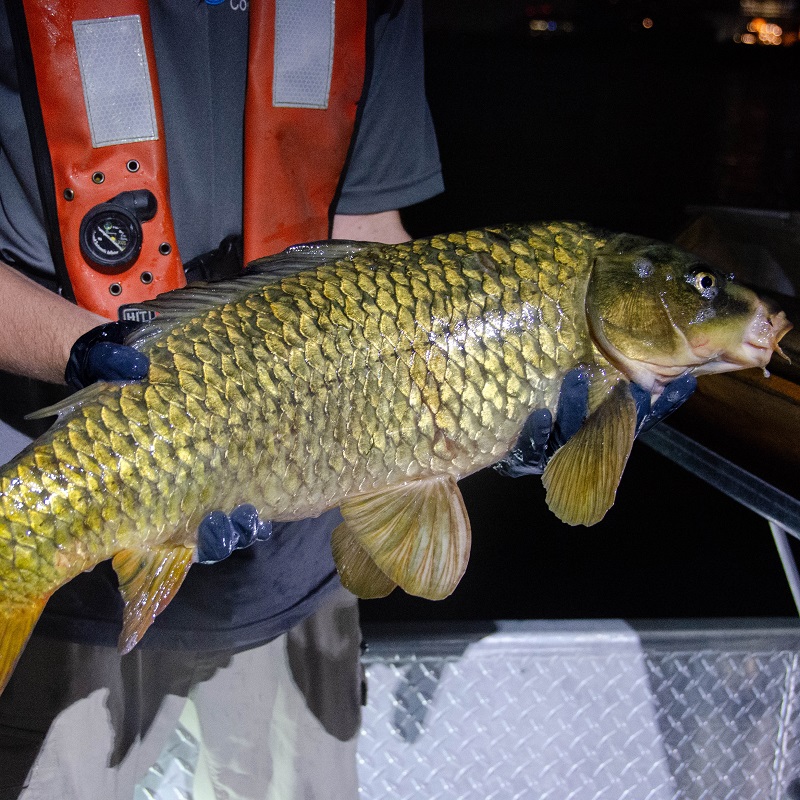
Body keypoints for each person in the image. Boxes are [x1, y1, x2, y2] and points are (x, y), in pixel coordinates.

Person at [0, 1, 444, 798]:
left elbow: (366, 221)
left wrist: (493, 405)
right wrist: (79, 351)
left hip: (296, 562)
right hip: (58, 541)